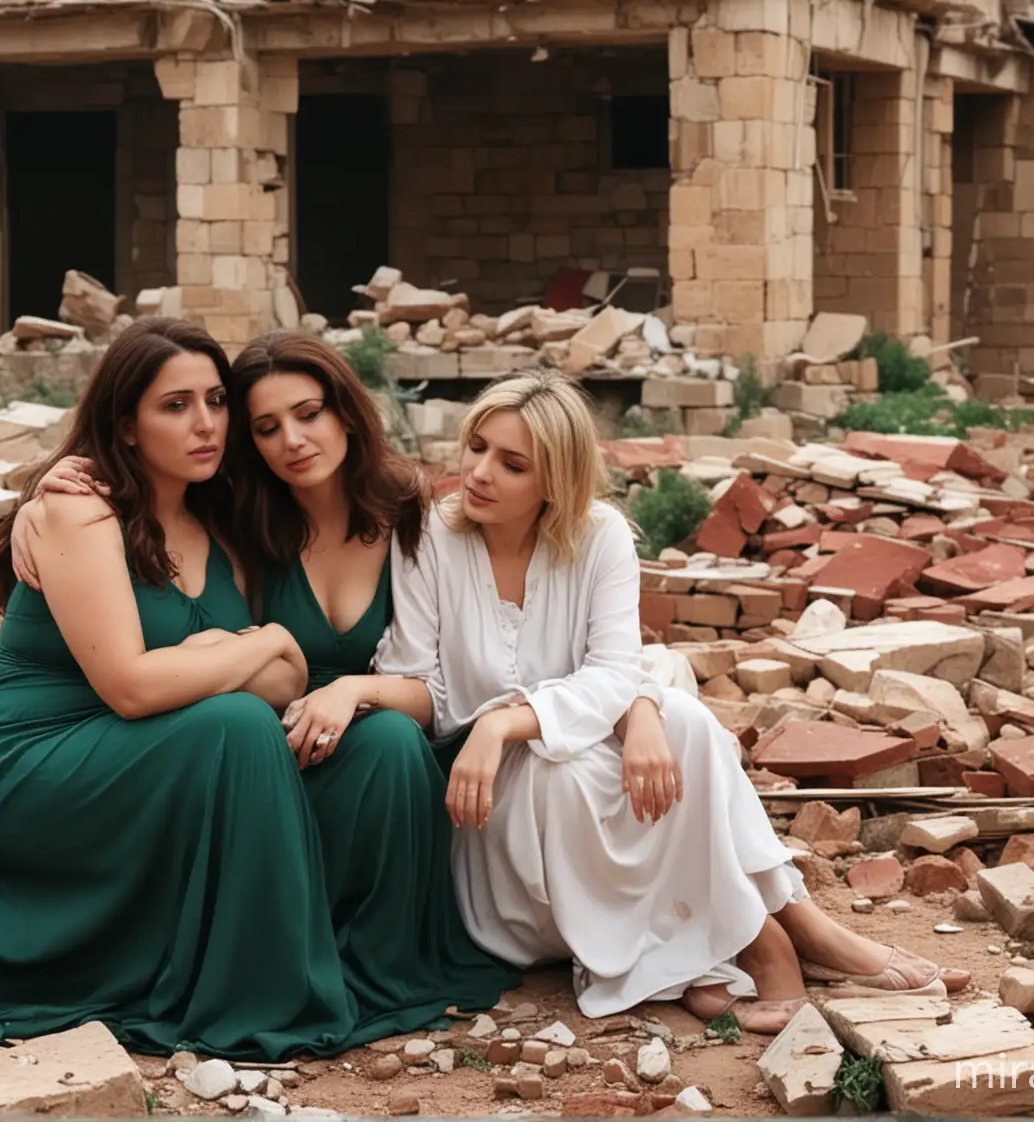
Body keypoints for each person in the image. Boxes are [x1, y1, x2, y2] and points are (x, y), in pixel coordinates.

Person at [0, 316, 376, 1087]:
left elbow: (286, 688)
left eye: (216, 401)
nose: (206, 424)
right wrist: (257, 644)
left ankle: (251, 972)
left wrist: (228, 660)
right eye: (174, 406)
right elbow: (134, 686)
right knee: (230, 724)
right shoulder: (82, 508)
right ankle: (253, 992)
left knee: (249, 724)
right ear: (125, 425)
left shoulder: (222, 525)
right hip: (16, 752)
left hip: (125, 745)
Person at [372, 369, 967, 1033]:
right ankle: (770, 935)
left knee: (684, 722)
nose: (479, 473)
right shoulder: (429, 539)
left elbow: (614, 667)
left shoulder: (600, 536)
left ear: (555, 481)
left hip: (563, 746)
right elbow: (427, 686)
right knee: (572, 767)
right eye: (476, 447)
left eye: (512, 464)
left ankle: (756, 935)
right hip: (492, 801)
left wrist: (627, 710)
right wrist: (506, 728)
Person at [16, 331, 520, 1033]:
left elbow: (443, 686)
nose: (292, 440)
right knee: (264, 734)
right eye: (265, 426)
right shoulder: (243, 517)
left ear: (345, 410)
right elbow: (135, 540)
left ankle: (375, 965)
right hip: (255, 731)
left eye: (308, 414)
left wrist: (350, 690)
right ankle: (274, 968)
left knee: (394, 748)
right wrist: (39, 495)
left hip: (355, 727)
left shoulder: (411, 514)